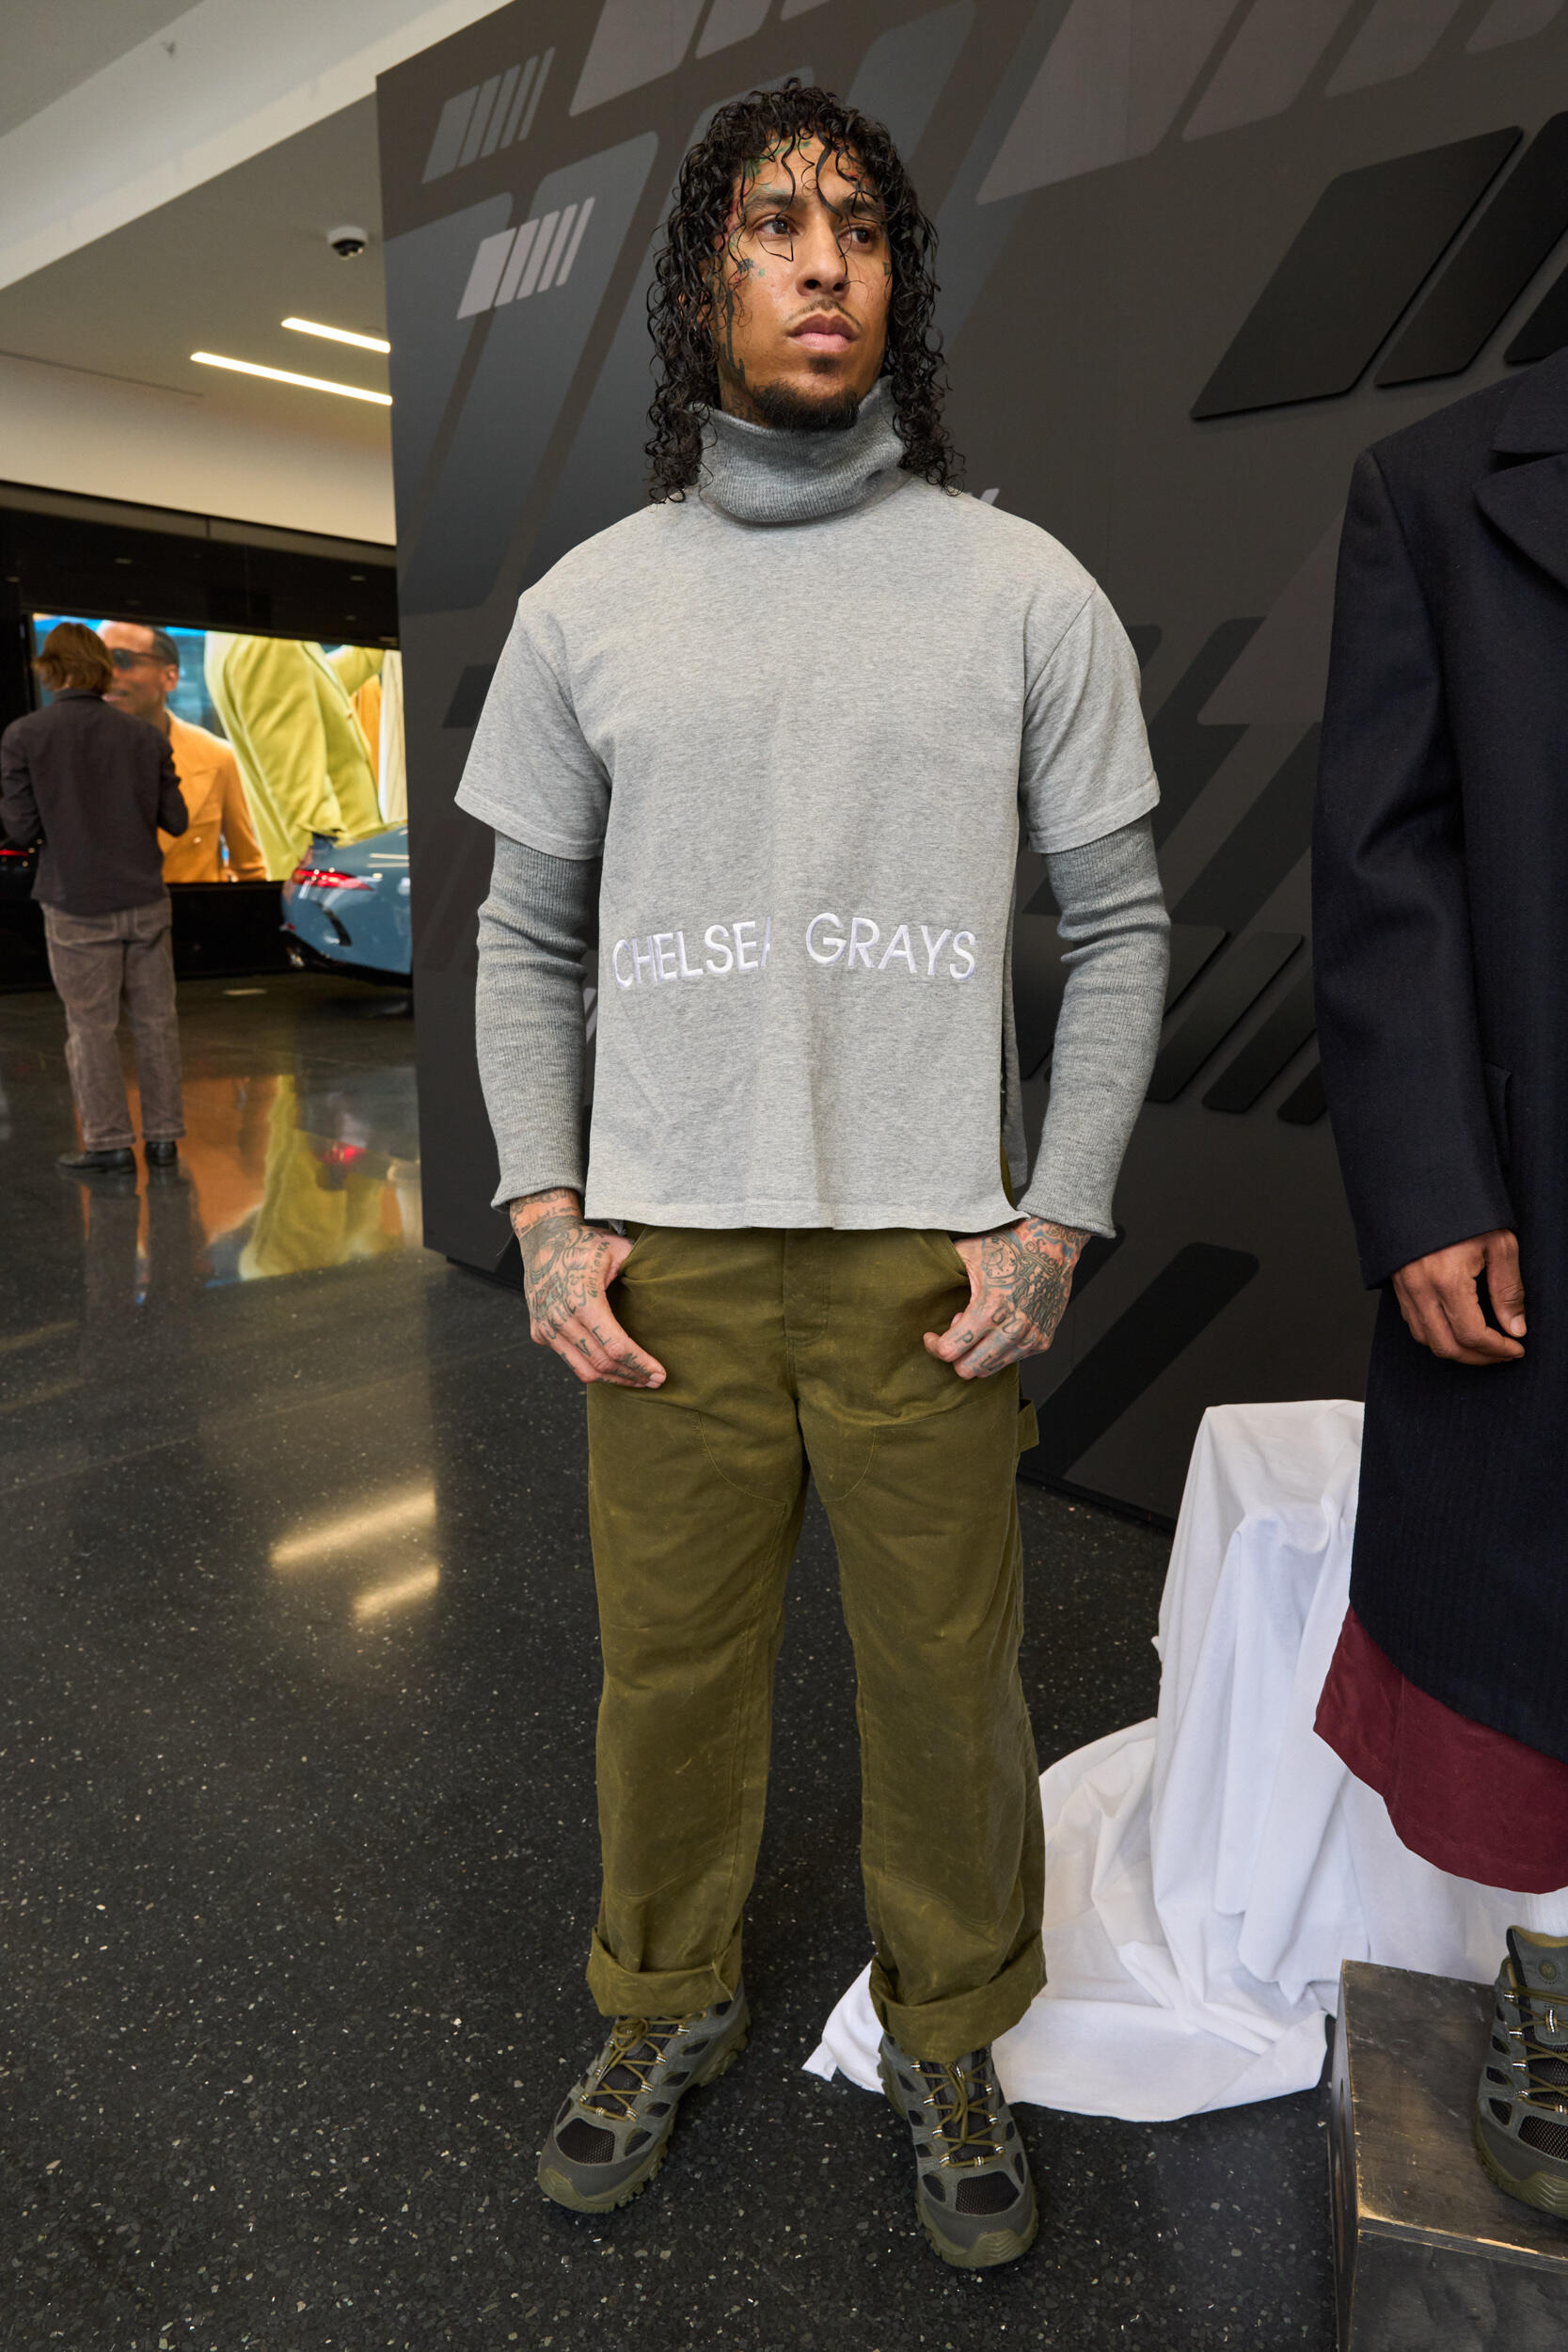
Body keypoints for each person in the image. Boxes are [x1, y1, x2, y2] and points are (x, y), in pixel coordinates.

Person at [459, 84, 1169, 2267]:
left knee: (948, 1686)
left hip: (923, 1268)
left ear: (896, 280)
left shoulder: (1019, 587)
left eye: (855, 224)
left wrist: (1052, 1222)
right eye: (771, 224)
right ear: (704, 281)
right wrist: (545, 1217)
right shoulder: (590, 607)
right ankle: (659, 1997)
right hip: (663, 1266)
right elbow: (522, 939)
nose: (819, 259)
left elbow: (1122, 924)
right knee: (663, 1678)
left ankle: (949, 2026)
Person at [1312, 345, 1568, 2217]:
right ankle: (1551, 1973)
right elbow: (1380, 866)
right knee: (1534, 1617)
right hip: (1535, 1178)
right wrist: (1422, 1183)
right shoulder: (1433, 483)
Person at [0, 621, 188, 1174]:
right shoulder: (146, 736)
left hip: (75, 902)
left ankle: (109, 1143)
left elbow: (19, 830)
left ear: (51, 670)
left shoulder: (25, 735)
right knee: (157, 1024)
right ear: (102, 670)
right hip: (145, 901)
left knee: (90, 1029)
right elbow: (176, 820)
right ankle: (163, 1140)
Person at [99, 622, 266, 884]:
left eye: (122, 659)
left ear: (170, 677)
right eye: (96, 662)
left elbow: (249, 869)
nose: (107, 674)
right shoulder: (69, 756)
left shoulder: (217, 758)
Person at [203, 633, 384, 879]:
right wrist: (346, 884)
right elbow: (305, 809)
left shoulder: (235, 638)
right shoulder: (268, 642)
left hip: (332, 873)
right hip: (341, 876)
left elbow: (312, 687)